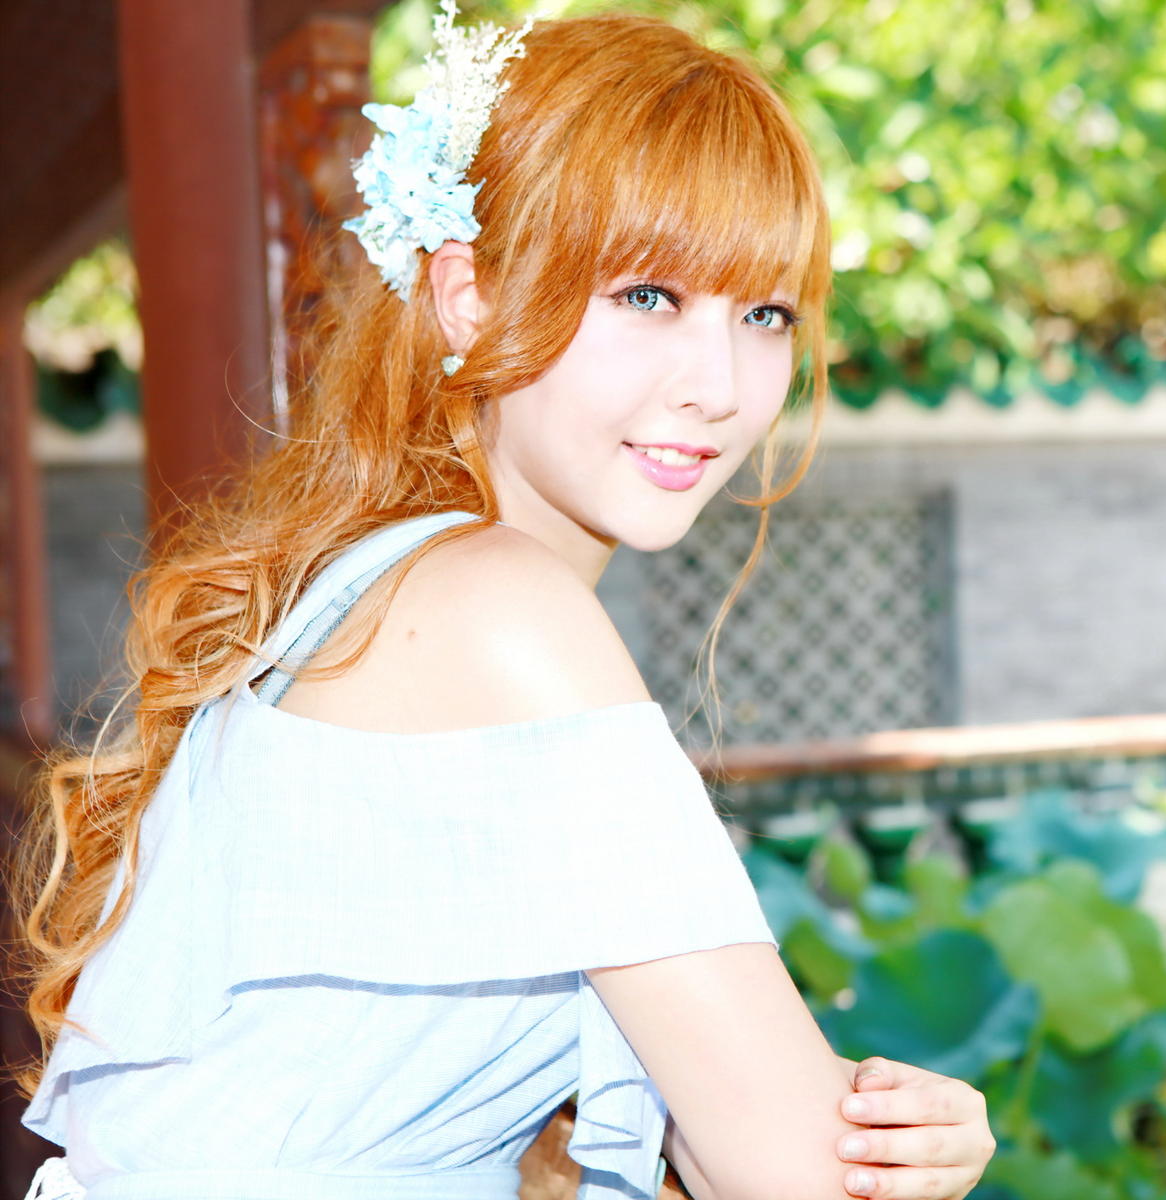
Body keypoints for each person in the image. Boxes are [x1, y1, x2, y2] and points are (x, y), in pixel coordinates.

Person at [10, 6, 996, 1199]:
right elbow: (795, 1173)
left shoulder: (382, 581)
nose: (720, 385)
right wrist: (897, 1154)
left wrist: (874, 1130)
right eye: (647, 296)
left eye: (764, 314)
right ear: (468, 296)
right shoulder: (499, 613)